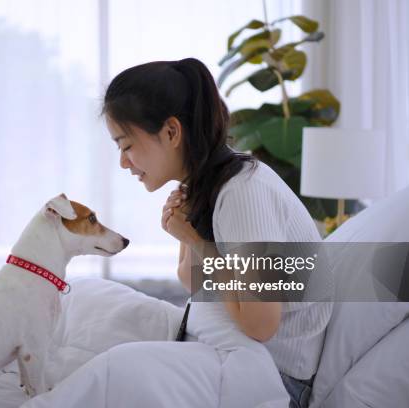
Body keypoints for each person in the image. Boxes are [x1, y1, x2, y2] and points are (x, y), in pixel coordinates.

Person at [102, 57, 331, 408]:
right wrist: (187, 235)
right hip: (231, 352)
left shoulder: (243, 191)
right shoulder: (208, 183)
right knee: (97, 315)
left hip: (274, 377)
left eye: (126, 145)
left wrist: (194, 240)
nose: (123, 162)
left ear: (171, 132)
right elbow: (194, 281)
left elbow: (261, 323)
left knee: (115, 369)